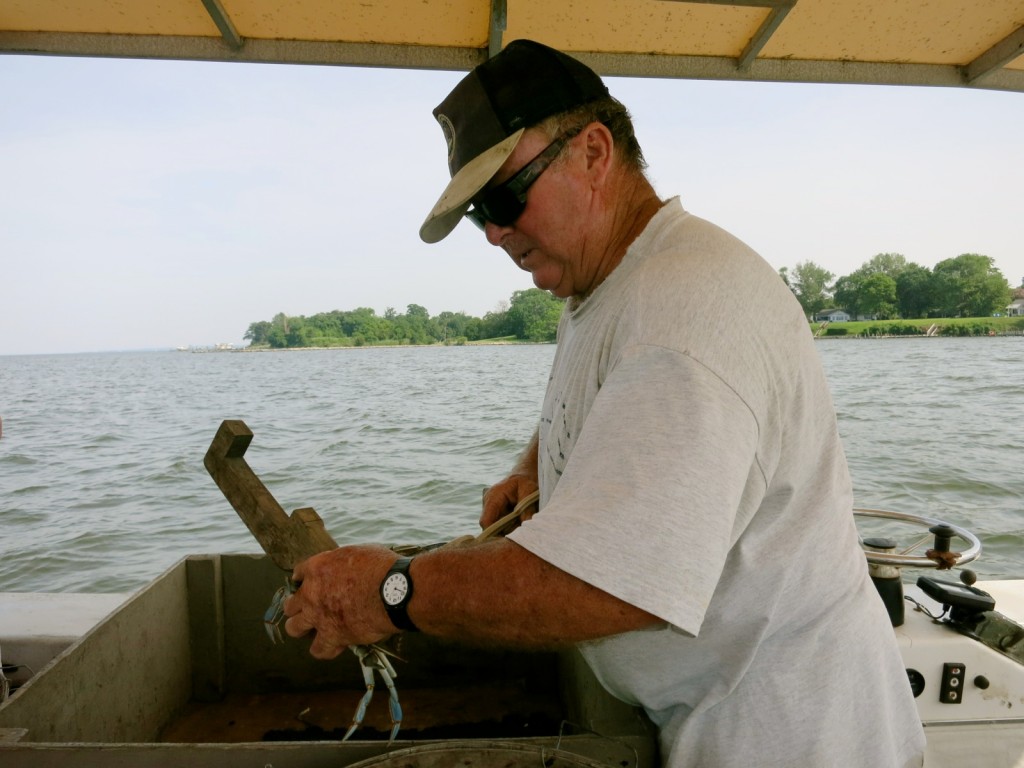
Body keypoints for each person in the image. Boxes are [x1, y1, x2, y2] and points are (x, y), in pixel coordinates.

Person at [283, 40, 926, 767]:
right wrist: (539, 469)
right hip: (710, 708)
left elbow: (609, 585)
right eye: (476, 215)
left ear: (593, 152)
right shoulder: (607, 281)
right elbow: (611, 393)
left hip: (784, 730)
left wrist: (393, 590)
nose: (495, 231)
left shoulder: (682, 311)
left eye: (502, 195)